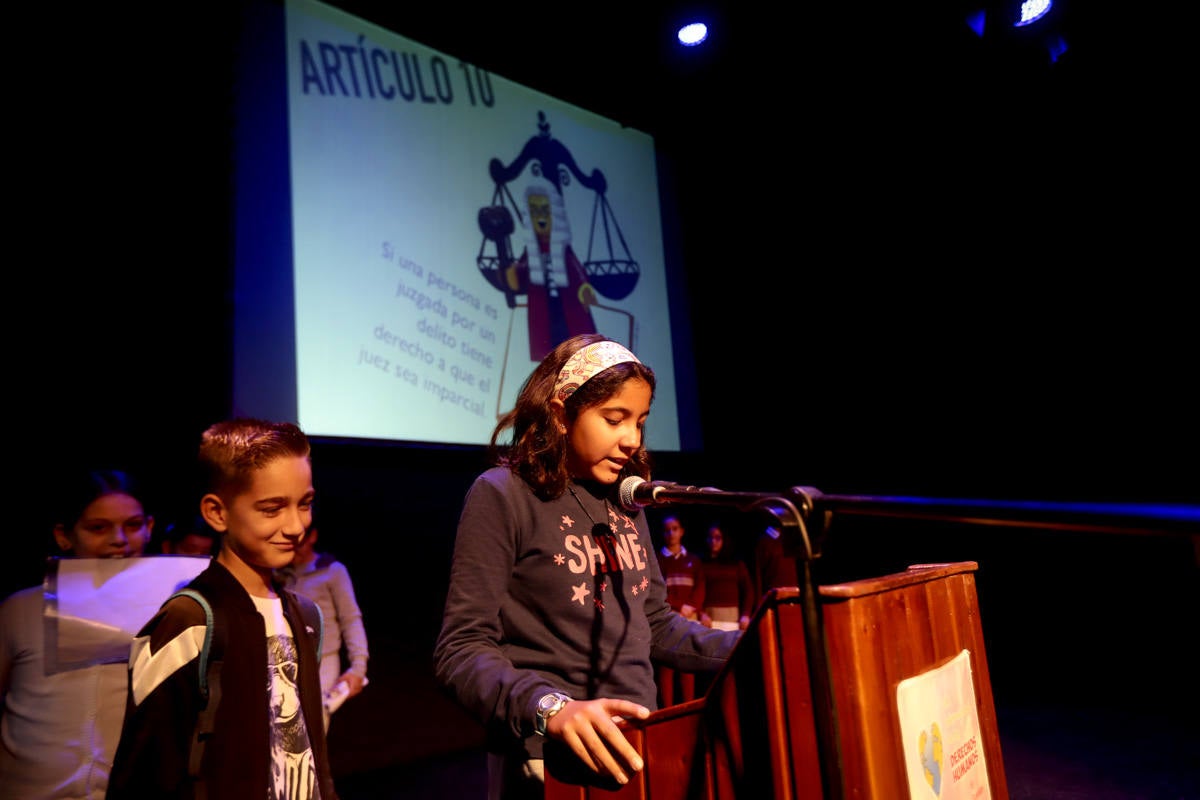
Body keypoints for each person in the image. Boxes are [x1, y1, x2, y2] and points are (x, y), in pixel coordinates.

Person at [433, 333, 740, 800]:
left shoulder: (626, 500)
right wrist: (551, 708)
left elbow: (654, 625)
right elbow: (461, 648)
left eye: (640, 422)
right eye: (614, 419)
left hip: (639, 749)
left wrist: (752, 643)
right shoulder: (503, 495)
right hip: (548, 761)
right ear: (561, 414)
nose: (631, 440)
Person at [107, 418, 339, 800]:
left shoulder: (305, 616)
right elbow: (144, 771)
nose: (296, 525)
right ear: (217, 512)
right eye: (272, 509)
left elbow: (313, 752)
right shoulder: (187, 621)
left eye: (305, 504)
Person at [0, 468, 154, 800]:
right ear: (64, 535)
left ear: (149, 528)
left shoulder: (172, 612)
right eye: (98, 528)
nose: (119, 539)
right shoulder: (20, 610)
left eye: (132, 525)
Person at [278, 523, 369, 731]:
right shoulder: (279, 574)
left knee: (313, 726)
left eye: (300, 540)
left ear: (312, 537)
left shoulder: (331, 571)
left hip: (323, 660)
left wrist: (358, 667)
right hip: (286, 659)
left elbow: (351, 618)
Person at [654, 514, 705, 706]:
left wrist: (692, 606)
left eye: (675, 529)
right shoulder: (658, 559)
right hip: (668, 616)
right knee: (667, 665)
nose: (671, 533)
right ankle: (667, 711)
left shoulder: (693, 560)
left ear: (682, 531)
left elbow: (700, 586)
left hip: (689, 616)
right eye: (667, 530)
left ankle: (688, 708)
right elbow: (657, 589)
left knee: (687, 662)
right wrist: (677, 606)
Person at [698, 522, 754, 633]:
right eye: (710, 538)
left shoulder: (736, 564)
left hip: (733, 618)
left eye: (717, 538)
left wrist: (746, 615)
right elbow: (697, 591)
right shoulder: (701, 564)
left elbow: (748, 591)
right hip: (709, 618)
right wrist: (701, 613)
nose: (713, 541)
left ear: (724, 540)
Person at [753, 524, 800, 601]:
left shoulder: (793, 538)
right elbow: (757, 577)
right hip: (775, 597)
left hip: (794, 595)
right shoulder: (767, 540)